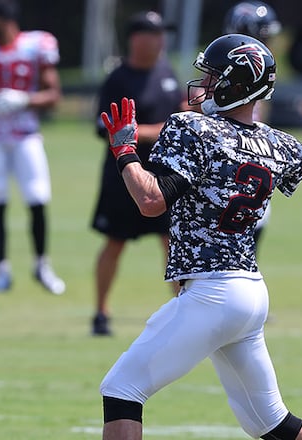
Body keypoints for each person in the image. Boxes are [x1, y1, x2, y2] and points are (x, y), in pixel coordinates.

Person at [98, 33, 302, 440]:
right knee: (271, 422)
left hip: (211, 294)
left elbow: (151, 201)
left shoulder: (191, 127)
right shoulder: (270, 141)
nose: (205, 85)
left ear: (237, 83)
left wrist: (125, 152)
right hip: (249, 293)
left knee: (121, 390)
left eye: (214, 77)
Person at [90, 11, 185, 336]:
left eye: (161, 34)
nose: (159, 41)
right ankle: (100, 313)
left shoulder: (166, 72)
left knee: (172, 242)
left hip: (164, 173)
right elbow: (105, 128)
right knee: (114, 241)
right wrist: (152, 132)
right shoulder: (118, 78)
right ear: (135, 39)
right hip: (124, 174)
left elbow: (178, 115)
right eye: (152, 34)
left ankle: (184, 311)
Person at [0, 0, 65, 295]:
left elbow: (53, 94)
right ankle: (2, 268)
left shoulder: (36, 44)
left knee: (37, 198)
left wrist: (23, 100)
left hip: (26, 134)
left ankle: (41, 264)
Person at [223, 0, 282, 253]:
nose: (265, 43)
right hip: (224, 161)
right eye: (261, 35)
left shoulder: (263, 66)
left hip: (252, 158)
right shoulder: (224, 65)